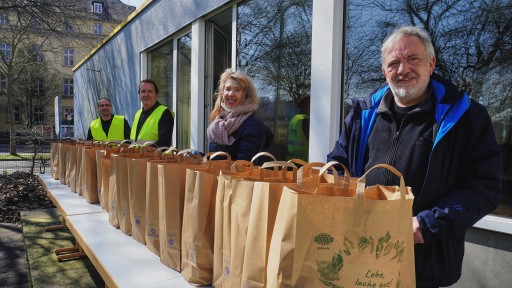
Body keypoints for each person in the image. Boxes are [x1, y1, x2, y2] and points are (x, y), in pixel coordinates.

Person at [327, 26, 502, 287]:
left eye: (413, 59)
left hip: (424, 259)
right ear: (384, 72)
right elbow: (339, 165)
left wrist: (428, 224)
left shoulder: (466, 116)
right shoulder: (362, 114)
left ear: (431, 64)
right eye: (394, 63)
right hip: (359, 250)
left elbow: (484, 187)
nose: (403, 69)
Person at [207, 68, 272, 161]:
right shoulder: (219, 122)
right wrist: (199, 156)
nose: (231, 94)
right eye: (228, 89)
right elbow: (215, 158)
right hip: (217, 175)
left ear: (245, 95)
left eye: (237, 90)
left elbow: (243, 167)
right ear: (222, 93)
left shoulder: (253, 126)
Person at [130, 79, 174, 147]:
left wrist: (145, 150)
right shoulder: (137, 114)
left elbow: (165, 141)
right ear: (139, 95)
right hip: (137, 156)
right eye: (143, 91)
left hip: (157, 157)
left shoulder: (165, 112)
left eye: (150, 91)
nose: (146, 94)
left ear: (157, 95)